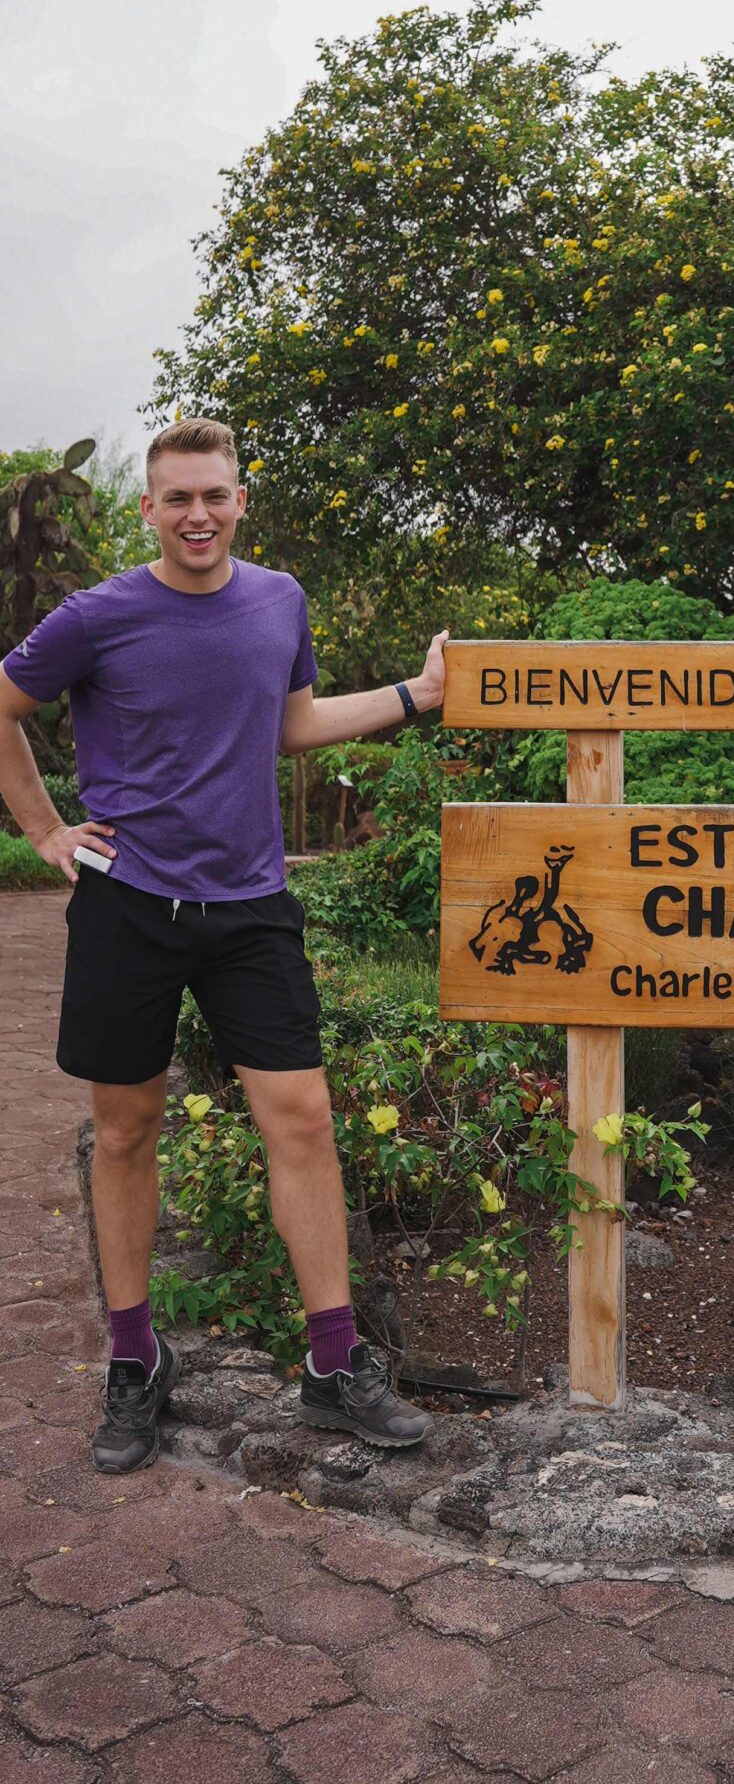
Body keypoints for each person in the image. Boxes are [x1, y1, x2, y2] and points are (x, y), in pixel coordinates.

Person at [0, 417, 450, 1473]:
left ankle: (334, 1365)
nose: (198, 514)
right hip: (129, 905)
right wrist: (43, 831)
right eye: (178, 498)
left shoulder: (278, 599)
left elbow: (288, 723)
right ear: (149, 508)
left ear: (241, 499)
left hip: (251, 904)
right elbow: (4, 699)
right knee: (124, 1130)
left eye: (216, 494)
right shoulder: (96, 615)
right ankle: (132, 1361)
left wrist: (413, 698)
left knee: (301, 1118)